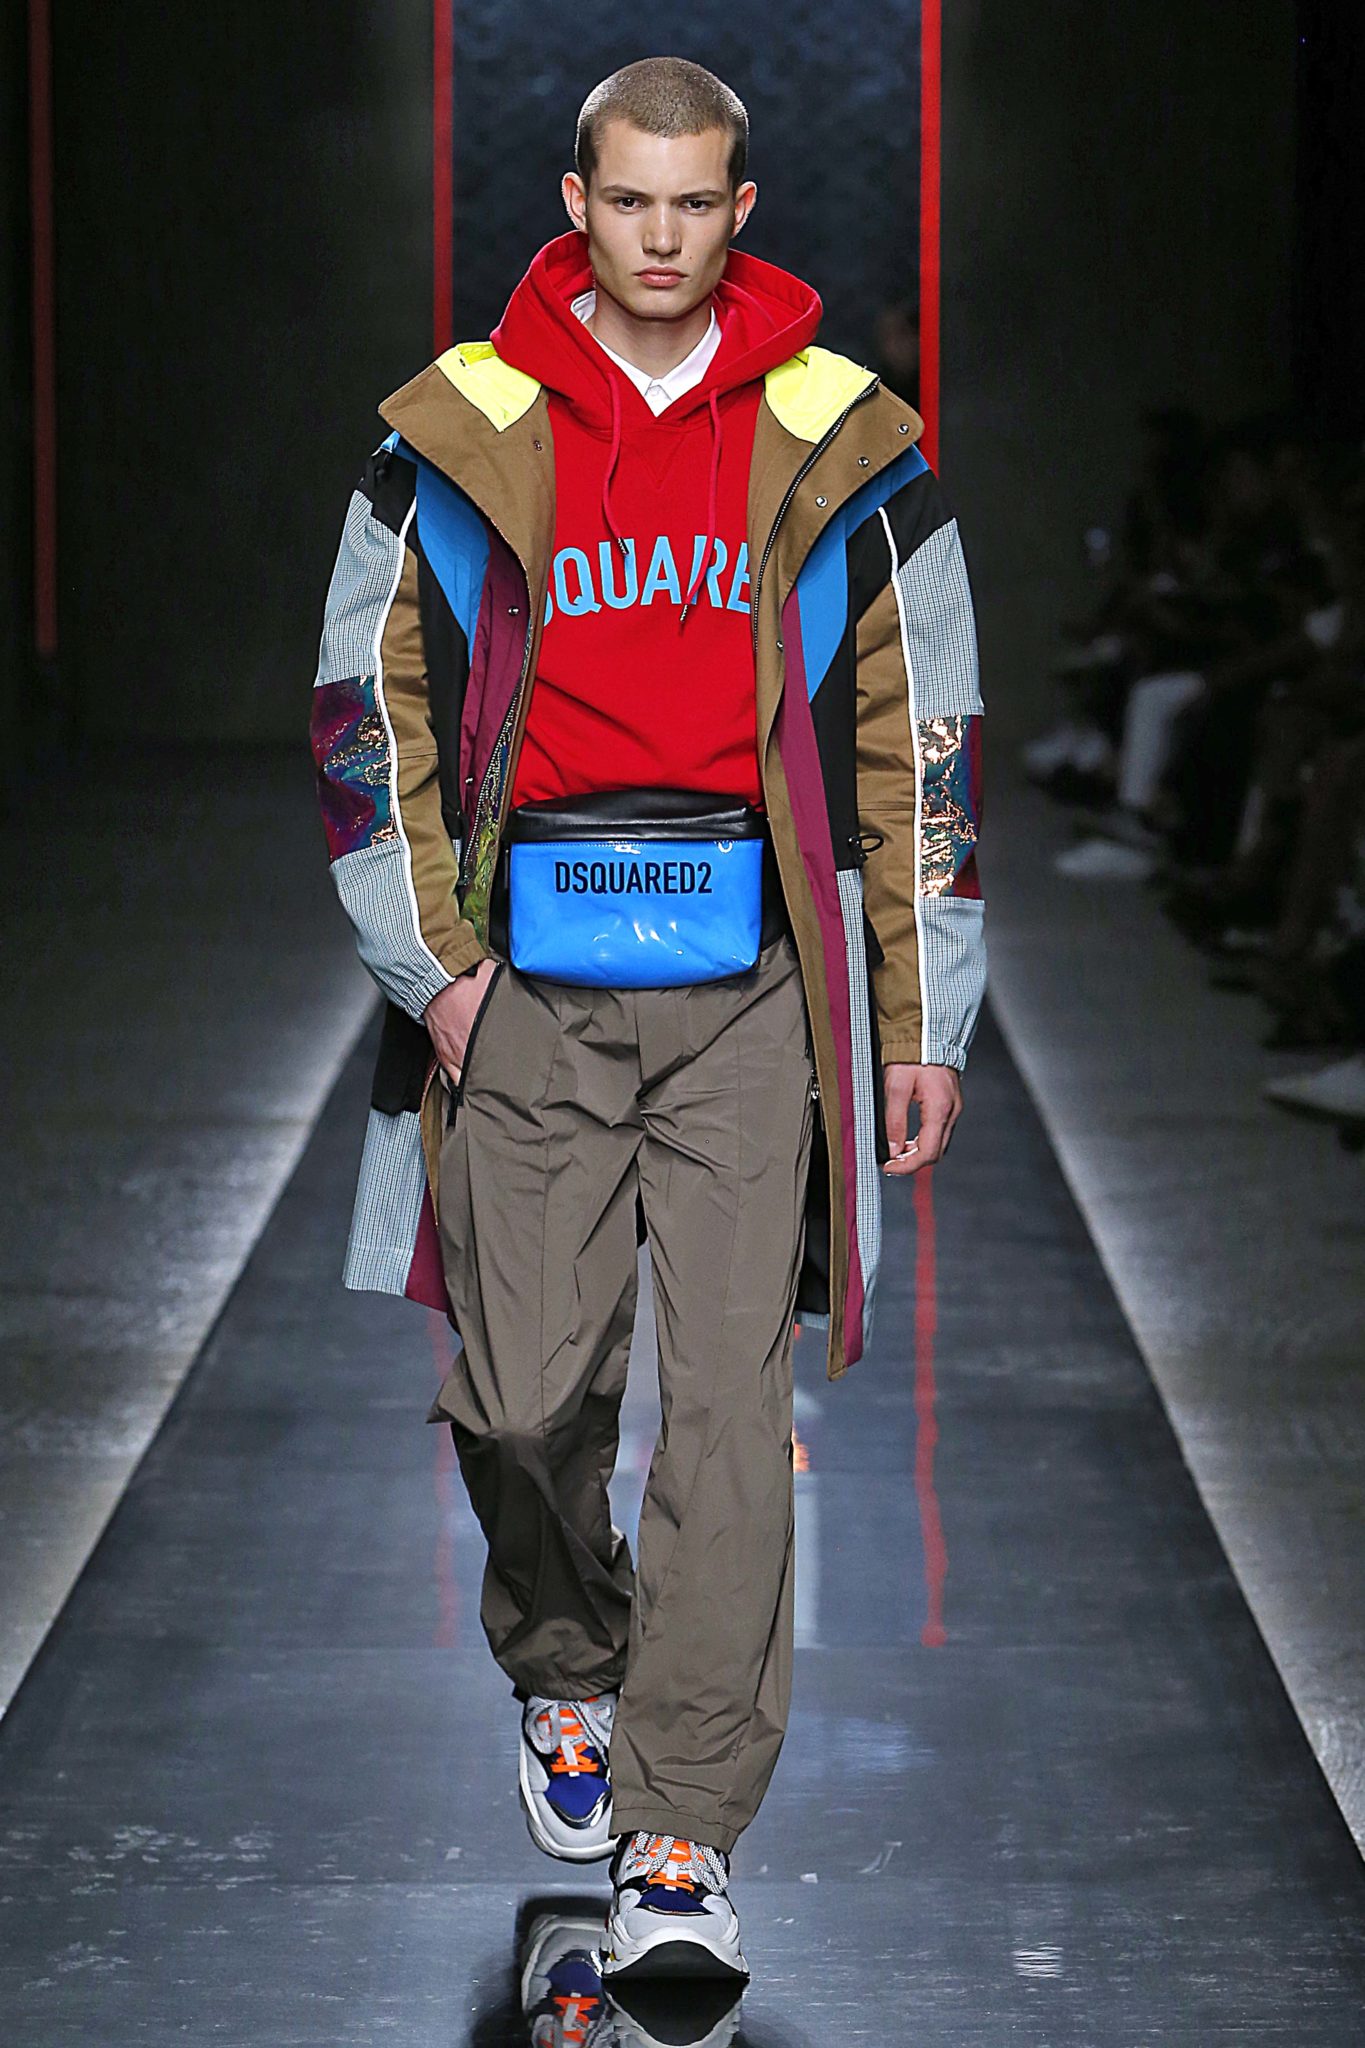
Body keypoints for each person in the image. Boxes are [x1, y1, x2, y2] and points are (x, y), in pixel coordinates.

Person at [310, 54, 986, 1986]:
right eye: (630, 201)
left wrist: (921, 1009)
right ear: (576, 202)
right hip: (522, 979)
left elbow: (924, 739)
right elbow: (364, 708)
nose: (662, 237)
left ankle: (680, 1827)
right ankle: (564, 1665)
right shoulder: (461, 427)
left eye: (696, 204)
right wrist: (432, 967)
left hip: (751, 983)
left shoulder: (842, 438)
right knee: (522, 1398)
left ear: (741, 210)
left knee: (731, 1410)